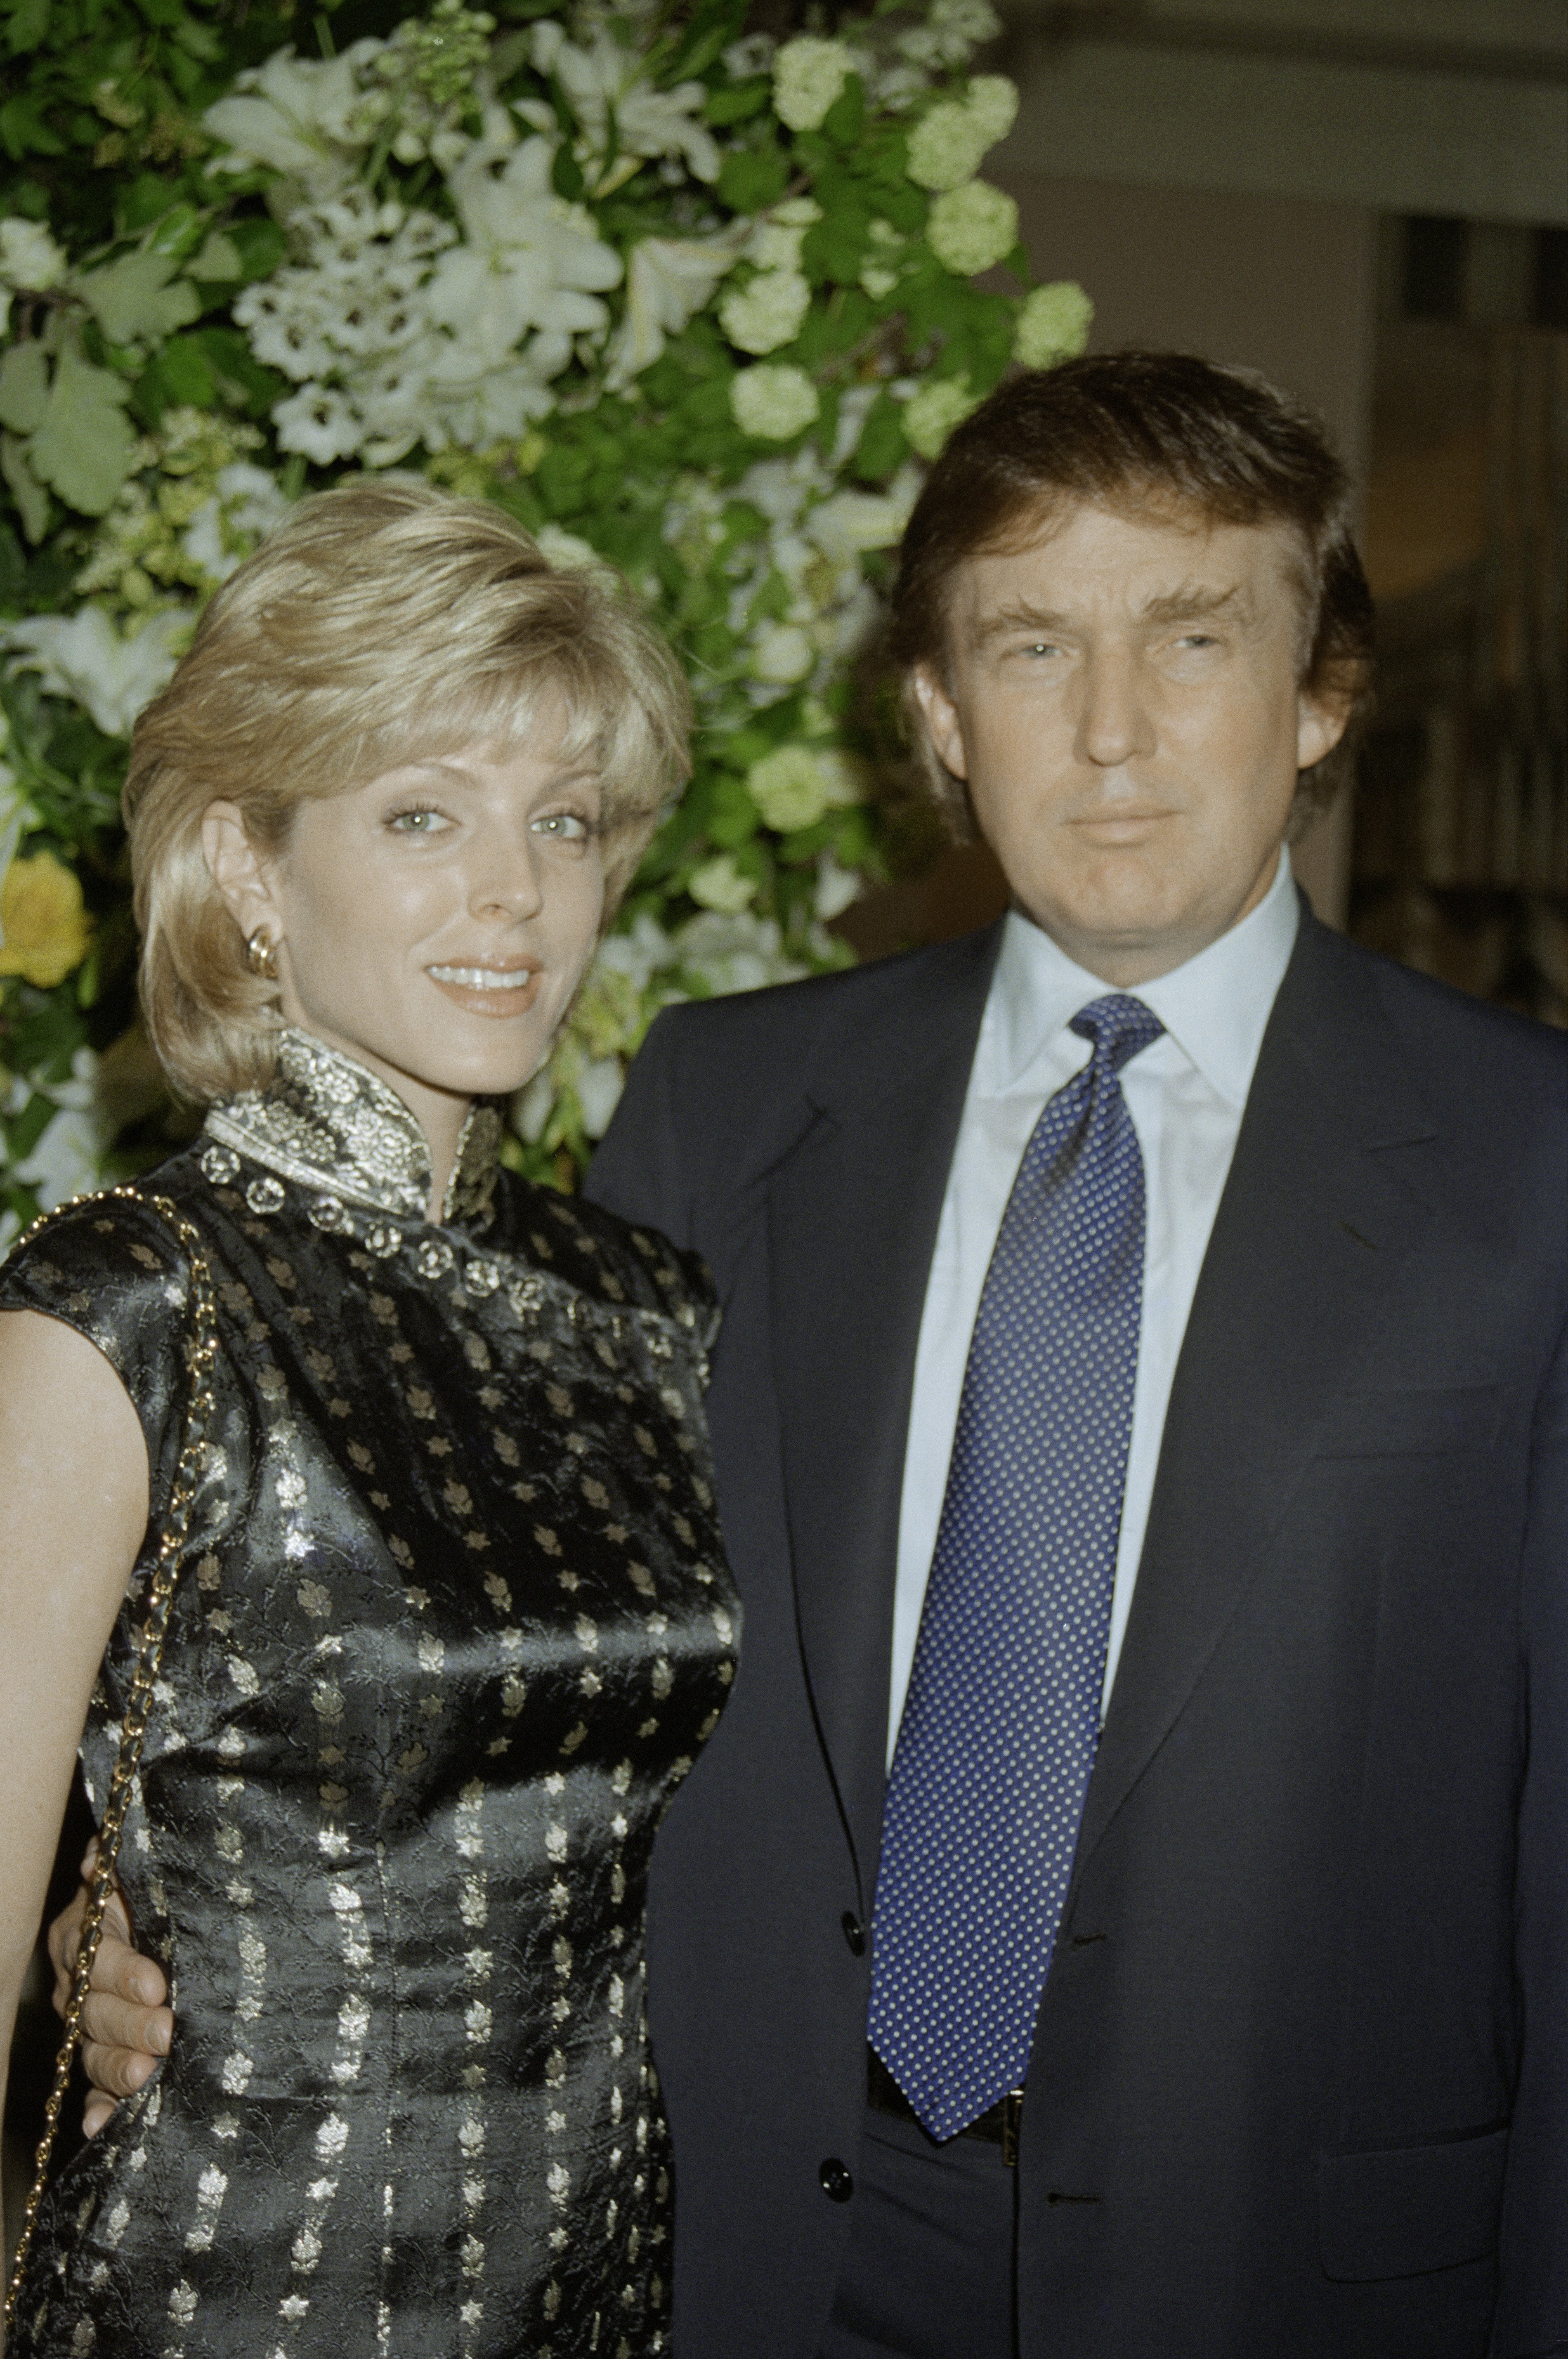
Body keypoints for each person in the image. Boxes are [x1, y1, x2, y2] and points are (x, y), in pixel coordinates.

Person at [56, 355, 1568, 2359]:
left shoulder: (1527, 1165)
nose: (1109, 729)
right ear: (939, 715)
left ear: (1316, 693)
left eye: (1191, 636)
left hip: (1296, 2272)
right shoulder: (725, 1104)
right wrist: (133, 1903)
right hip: (739, 2238)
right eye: (1030, 645)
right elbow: (481, 1642)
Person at [1, 480, 738, 2358]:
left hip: (597, 2266)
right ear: (250, 866)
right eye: (423, 815)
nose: (516, 890)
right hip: (238, 2280)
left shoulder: (645, 1307)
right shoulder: (127, 1302)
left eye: (559, 823)